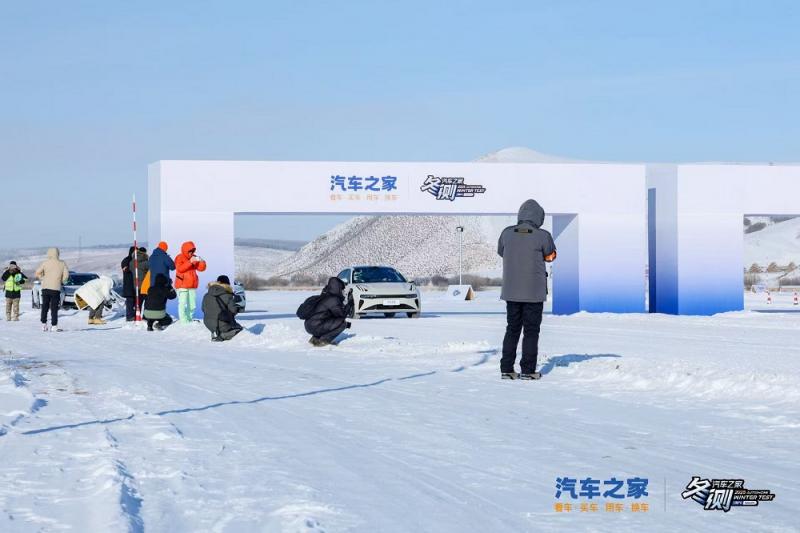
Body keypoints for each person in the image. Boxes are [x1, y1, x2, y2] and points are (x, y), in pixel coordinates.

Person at [497, 199, 557, 380]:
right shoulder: (543, 235)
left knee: (512, 329)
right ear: (539, 217)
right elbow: (550, 256)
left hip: (511, 292)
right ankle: (528, 371)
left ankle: (507, 369)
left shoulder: (506, 233)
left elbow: (501, 252)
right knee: (531, 331)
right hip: (533, 293)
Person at [304, 277, 352, 346]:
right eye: (341, 289)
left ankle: (314, 339)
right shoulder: (333, 299)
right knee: (342, 323)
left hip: (309, 325)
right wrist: (349, 304)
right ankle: (323, 341)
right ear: (338, 288)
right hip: (315, 326)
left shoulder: (325, 295)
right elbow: (341, 315)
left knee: (323, 321)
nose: (343, 291)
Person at [35, 248, 70, 331]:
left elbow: (37, 272)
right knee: (54, 308)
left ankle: (44, 324)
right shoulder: (62, 263)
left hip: (45, 288)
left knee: (45, 306)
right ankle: (54, 326)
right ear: (58, 253)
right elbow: (66, 275)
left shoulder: (45, 263)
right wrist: (61, 281)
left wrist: (42, 278)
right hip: (55, 288)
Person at [201, 275, 242, 341]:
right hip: (222, 324)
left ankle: (215, 332)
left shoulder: (206, 295)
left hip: (207, 323)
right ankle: (222, 336)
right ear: (228, 284)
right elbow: (233, 311)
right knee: (239, 329)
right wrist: (238, 308)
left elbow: (203, 309)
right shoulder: (228, 295)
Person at [174, 241, 207, 323]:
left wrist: (202, 261)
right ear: (185, 250)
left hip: (192, 285)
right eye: (190, 251)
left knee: (192, 305)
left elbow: (201, 269)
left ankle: (189, 319)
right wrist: (190, 262)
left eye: (193, 251)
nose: (191, 253)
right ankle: (183, 321)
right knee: (182, 304)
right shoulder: (179, 257)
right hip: (182, 285)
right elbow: (180, 269)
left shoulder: (194, 257)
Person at [120, 246, 149, 321]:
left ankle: (134, 315)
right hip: (129, 283)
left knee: (135, 301)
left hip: (134, 283)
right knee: (130, 301)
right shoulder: (127, 260)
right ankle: (130, 316)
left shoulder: (134, 260)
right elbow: (125, 269)